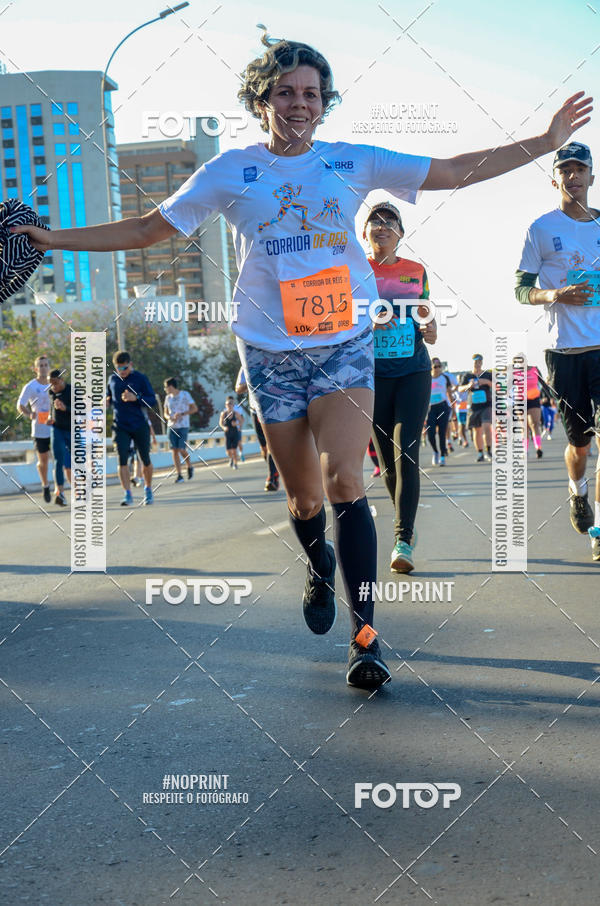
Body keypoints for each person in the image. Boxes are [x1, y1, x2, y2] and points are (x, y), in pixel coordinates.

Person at [12, 27, 592, 686]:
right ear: (261, 101)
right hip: (269, 351)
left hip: (345, 342)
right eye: (284, 92)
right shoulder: (229, 172)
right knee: (306, 499)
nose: (298, 103)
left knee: (347, 480)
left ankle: (366, 637)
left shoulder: (352, 161)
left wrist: (544, 144)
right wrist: (52, 238)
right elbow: (148, 230)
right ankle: (318, 568)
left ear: (325, 101)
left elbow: (455, 171)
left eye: (310, 93)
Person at [515, 140, 600, 560]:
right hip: (562, 352)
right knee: (580, 445)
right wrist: (555, 295)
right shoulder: (541, 228)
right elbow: (520, 289)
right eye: (565, 170)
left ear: (591, 176)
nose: (573, 176)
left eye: (580, 169)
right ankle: (577, 490)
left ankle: (599, 529)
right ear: (556, 178)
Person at [366, 202, 437, 573]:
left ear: (400, 232)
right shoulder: (354, 270)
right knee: (387, 462)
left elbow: (426, 311)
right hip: (372, 378)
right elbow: (338, 316)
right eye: (374, 222)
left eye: (389, 222)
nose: (382, 227)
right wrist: (365, 324)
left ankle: (403, 540)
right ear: (366, 233)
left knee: (405, 453)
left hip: (413, 371)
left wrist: (432, 328)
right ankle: (404, 527)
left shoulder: (415, 271)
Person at [106, 351, 157, 506]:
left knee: (144, 458)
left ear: (131, 365)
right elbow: (108, 395)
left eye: (124, 368)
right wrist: (106, 400)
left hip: (139, 424)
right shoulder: (112, 379)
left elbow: (152, 400)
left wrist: (137, 398)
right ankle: (127, 494)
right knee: (122, 458)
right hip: (120, 425)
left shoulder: (140, 378)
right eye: (119, 368)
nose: (122, 371)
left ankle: (148, 489)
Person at [235, 367, 280, 490]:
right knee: (264, 449)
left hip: (271, 408)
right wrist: (252, 383)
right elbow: (238, 389)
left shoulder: (273, 359)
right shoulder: (246, 365)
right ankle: (275, 470)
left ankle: (272, 477)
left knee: (271, 445)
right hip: (255, 409)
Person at [17, 355, 52, 501]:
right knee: (43, 461)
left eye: (46, 365)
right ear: (36, 369)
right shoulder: (31, 386)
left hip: (56, 427)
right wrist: (29, 413)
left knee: (63, 458)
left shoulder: (54, 384)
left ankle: (60, 488)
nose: (43, 368)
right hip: (39, 429)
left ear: (49, 367)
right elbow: (20, 404)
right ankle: (45, 485)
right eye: (41, 365)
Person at [459, 354, 493, 462]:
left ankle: (489, 451)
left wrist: (487, 382)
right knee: (476, 430)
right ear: (472, 362)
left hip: (486, 404)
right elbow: (460, 389)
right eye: (475, 362)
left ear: (482, 362)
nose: (477, 363)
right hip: (473, 406)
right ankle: (480, 453)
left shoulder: (487, 374)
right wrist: (468, 386)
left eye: (479, 361)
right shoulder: (467, 376)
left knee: (487, 427)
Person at [164, 378, 197, 482]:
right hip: (172, 426)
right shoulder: (168, 398)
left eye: (166, 387)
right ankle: (179, 475)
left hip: (183, 426)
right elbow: (165, 413)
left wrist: (182, 414)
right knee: (174, 451)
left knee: (182, 449)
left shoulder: (185, 394)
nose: (165, 389)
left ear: (171, 386)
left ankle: (189, 466)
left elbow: (194, 408)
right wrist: (169, 417)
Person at [47, 369, 72, 506]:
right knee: (58, 460)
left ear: (62, 380)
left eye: (55, 383)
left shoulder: (72, 391)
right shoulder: (51, 392)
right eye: (51, 384)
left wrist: (65, 408)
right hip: (57, 429)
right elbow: (52, 408)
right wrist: (50, 417)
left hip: (73, 430)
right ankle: (61, 494)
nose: (53, 387)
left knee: (75, 463)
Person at [427, 358, 454, 466]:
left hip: (443, 407)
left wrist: (453, 410)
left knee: (442, 433)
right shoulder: (426, 379)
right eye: (435, 367)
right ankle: (436, 452)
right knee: (431, 433)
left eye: (439, 366)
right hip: (430, 408)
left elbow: (449, 394)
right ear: (431, 368)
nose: (438, 369)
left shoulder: (445, 378)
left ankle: (443, 455)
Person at [526, 365, 544, 458]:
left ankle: (538, 448)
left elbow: (543, 383)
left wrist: (548, 396)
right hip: (519, 401)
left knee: (535, 424)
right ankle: (525, 450)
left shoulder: (534, 369)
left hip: (534, 399)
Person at [219, 397, 242, 468]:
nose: (228, 406)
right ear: (225, 406)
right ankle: (231, 458)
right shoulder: (224, 414)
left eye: (230, 404)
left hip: (234, 432)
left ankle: (235, 464)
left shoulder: (236, 413)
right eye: (227, 404)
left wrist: (237, 424)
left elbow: (241, 421)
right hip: (227, 433)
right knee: (228, 451)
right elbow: (220, 423)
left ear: (233, 405)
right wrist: (224, 427)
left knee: (234, 450)